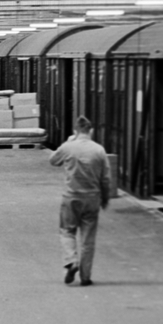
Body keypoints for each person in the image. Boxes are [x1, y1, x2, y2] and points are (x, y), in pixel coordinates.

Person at [48, 116, 112, 286]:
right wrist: (104, 199)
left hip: (71, 197)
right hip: (92, 198)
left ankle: (71, 260)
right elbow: (106, 178)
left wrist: (68, 142)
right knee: (88, 238)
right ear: (91, 131)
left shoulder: (69, 146)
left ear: (76, 131)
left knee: (67, 231)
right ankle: (85, 277)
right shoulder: (99, 150)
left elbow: (53, 160)